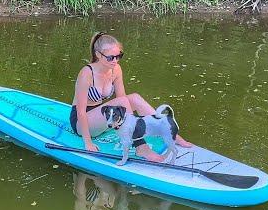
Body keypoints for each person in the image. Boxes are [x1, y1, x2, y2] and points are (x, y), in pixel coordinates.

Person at [70, 31, 193, 163]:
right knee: (124, 101)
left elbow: (124, 99)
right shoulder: (86, 73)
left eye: (119, 56)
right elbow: (81, 111)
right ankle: (141, 147)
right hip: (82, 121)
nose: (115, 60)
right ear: (98, 55)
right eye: (111, 57)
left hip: (104, 115)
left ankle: (168, 129)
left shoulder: (115, 69)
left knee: (134, 97)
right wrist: (88, 142)